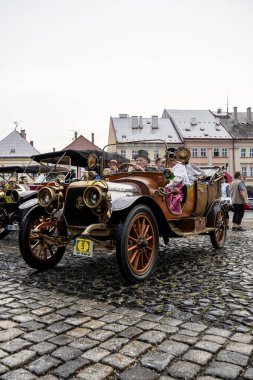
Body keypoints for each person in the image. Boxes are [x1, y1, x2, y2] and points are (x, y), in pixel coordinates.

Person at [164, 148, 190, 214]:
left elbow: (175, 180)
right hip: (171, 188)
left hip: (176, 190)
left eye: (170, 160)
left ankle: (167, 210)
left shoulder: (180, 167)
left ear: (175, 160)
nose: (169, 162)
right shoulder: (171, 168)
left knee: (166, 190)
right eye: (168, 160)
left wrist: (165, 183)